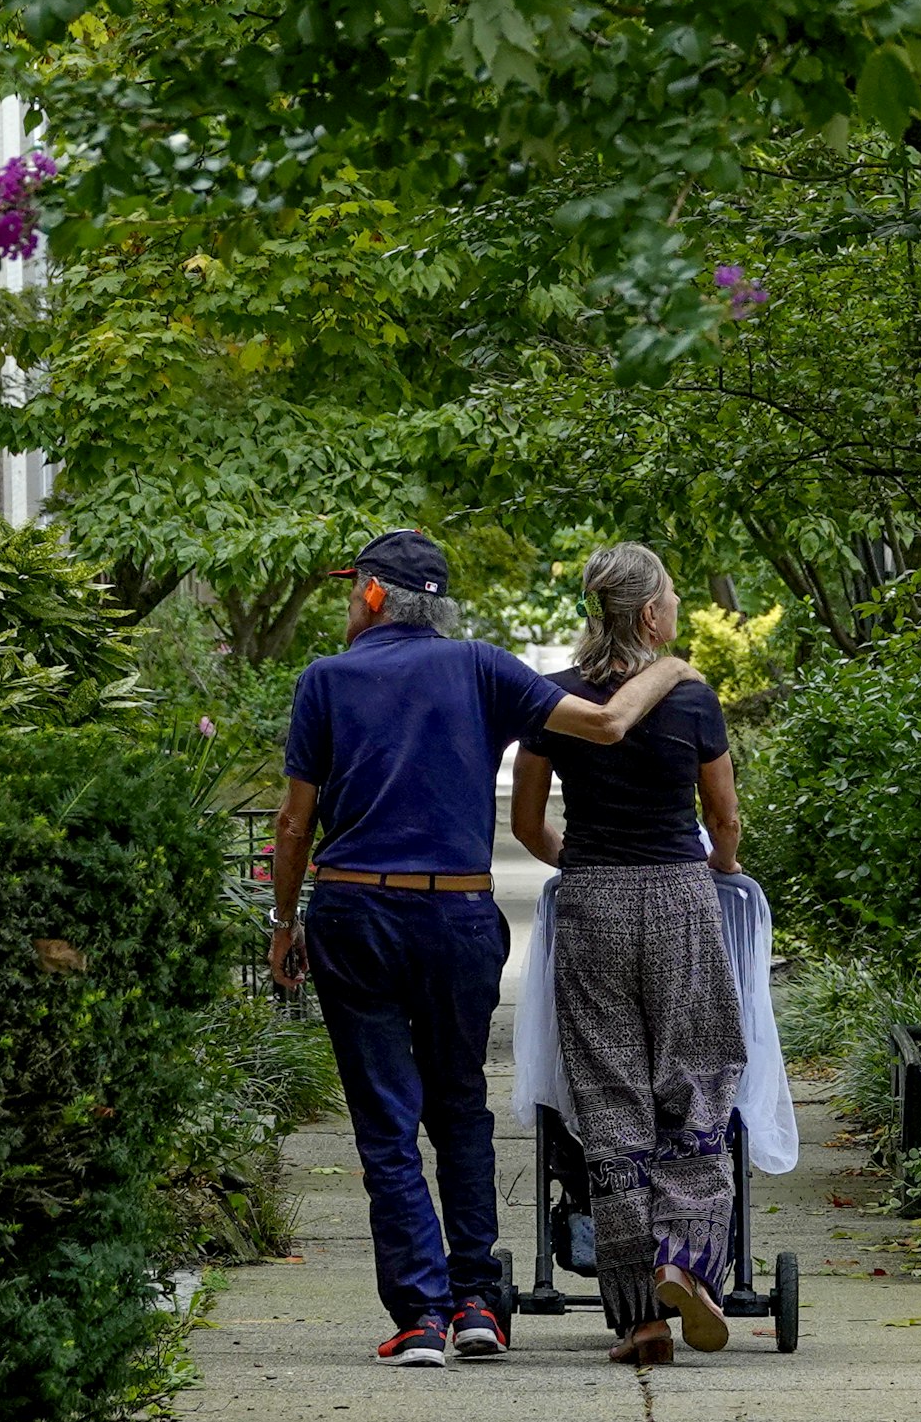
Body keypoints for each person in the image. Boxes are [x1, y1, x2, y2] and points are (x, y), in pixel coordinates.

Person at [268, 527, 698, 1369]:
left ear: (377, 597)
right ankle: (476, 1305)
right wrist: (671, 669)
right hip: (458, 920)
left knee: (387, 1123)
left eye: (352, 589)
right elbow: (608, 725)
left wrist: (286, 923)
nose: (348, 603)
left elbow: (292, 823)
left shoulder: (325, 681)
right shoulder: (482, 667)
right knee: (459, 1107)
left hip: (356, 914)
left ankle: (421, 1314)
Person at [510, 542, 746, 1366]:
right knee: (699, 1073)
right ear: (651, 615)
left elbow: (528, 825)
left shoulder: (560, 702)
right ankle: (689, 1259)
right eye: (673, 598)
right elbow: (723, 822)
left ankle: (641, 1319)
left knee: (611, 1102)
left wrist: (576, 862)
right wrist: (719, 869)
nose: (676, 608)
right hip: (680, 895)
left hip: (594, 899)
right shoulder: (691, 699)